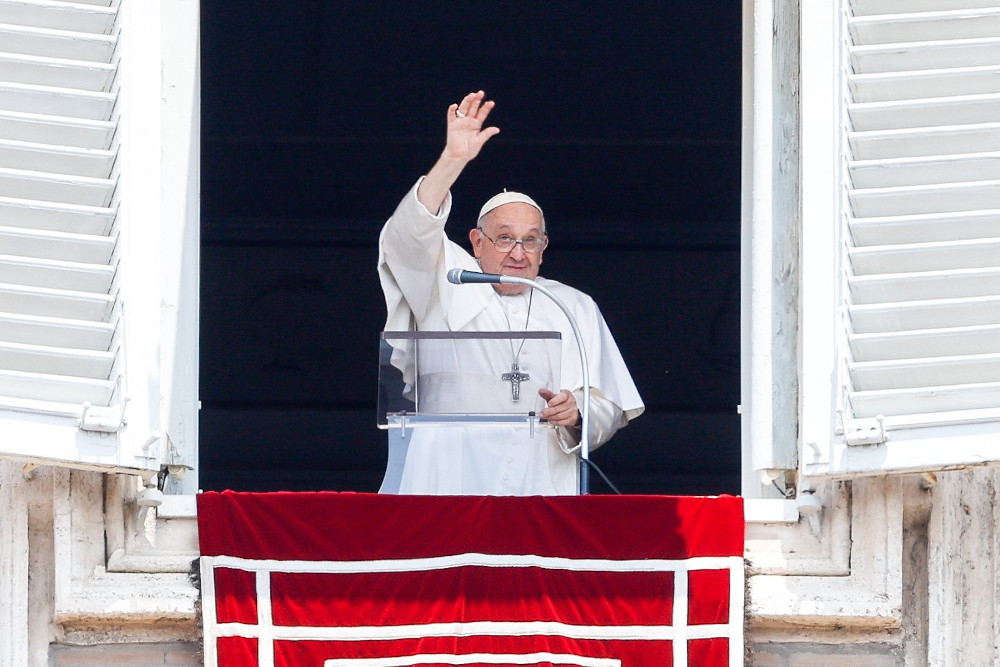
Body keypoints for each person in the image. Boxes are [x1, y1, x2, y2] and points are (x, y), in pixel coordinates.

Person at [377, 90, 644, 495]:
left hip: (540, 476)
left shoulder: (572, 305)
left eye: (530, 240)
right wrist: (453, 160)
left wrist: (576, 411)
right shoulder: (444, 281)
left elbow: (608, 404)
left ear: (544, 248)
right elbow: (408, 236)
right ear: (476, 242)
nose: (518, 253)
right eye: (504, 238)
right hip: (447, 474)